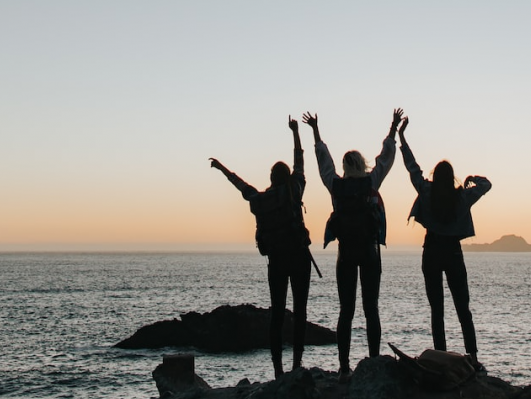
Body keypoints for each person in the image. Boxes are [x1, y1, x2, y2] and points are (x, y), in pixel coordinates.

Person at [303, 108, 403, 382]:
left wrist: (316, 132)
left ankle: (344, 367)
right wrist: (393, 127)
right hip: (370, 252)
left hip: (345, 253)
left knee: (345, 311)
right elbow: (386, 158)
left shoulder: (336, 186)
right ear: (362, 164)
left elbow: (324, 163)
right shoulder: (371, 182)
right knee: (371, 308)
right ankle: (373, 361)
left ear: (345, 167)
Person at [209, 116, 312, 379]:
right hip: (299, 258)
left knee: (277, 314)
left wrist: (221, 168)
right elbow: (300, 163)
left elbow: (241, 186)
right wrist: (296, 133)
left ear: (271, 178)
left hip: (276, 261)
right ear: (287, 177)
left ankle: (277, 369)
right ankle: (297, 364)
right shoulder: (294, 191)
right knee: (300, 312)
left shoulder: (261, 200)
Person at [398, 116, 492, 372]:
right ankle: (472, 357)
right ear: (452, 178)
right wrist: (472, 177)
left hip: (431, 251)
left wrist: (402, 137)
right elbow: (486, 185)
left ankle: (439, 355)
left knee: (436, 309)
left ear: (434, 176)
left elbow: (412, 167)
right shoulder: (462, 196)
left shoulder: (426, 191)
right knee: (463, 308)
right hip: (453, 252)